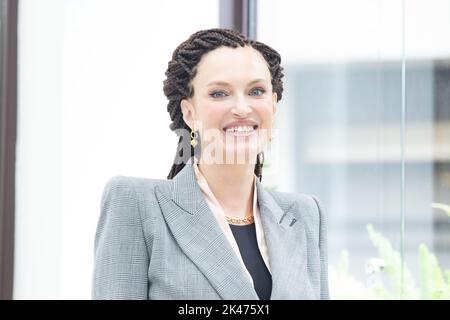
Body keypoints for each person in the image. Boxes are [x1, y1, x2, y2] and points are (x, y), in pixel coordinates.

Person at [92, 28, 329, 300]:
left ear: (273, 106)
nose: (242, 107)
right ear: (189, 113)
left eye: (256, 91)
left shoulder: (305, 215)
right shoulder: (135, 204)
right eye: (219, 93)